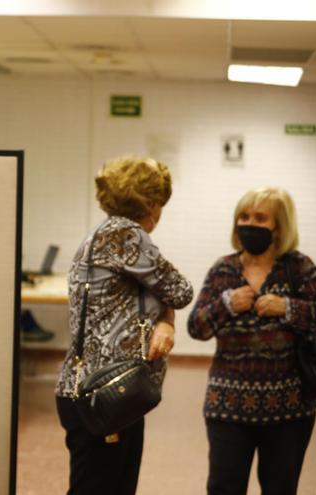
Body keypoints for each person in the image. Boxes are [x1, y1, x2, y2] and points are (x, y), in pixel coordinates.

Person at [55, 156, 194, 495]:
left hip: (94, 390)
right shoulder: (127, 235)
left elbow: (158, 294)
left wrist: (165, 318)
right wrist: (167, 316)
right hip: (108, 394)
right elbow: (180, 290)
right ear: (150, 203)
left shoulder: (99, 234)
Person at [187, 187, 316, 495]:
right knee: (223, 487)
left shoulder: (299, 268)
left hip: (289, 409)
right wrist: (225, 305)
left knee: (280, 488)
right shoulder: (223, 269)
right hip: (227, 406)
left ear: (280, 225)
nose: (249, 223)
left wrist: (288, 308)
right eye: (244, 216)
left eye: (261, 217)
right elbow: (195, 327)